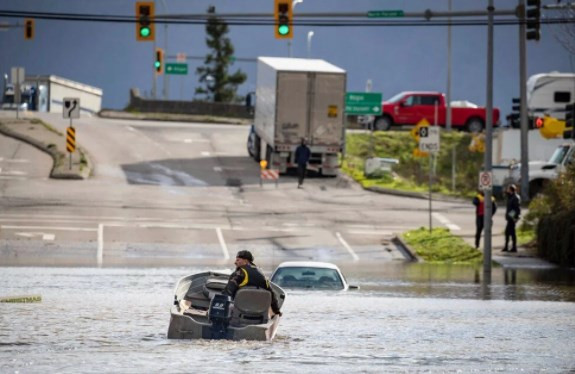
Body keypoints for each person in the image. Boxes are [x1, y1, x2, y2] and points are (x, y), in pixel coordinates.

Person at [222, 250, 282, 317]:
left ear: (246, 261)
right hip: (259, 312)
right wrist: (276, 311)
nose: (235, 262)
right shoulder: (261, 273)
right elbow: (272, 294)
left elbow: (228, 292)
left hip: (240, 312)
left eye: (238, 260)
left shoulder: (239, 273)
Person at [503, 184, 521, 252]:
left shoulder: (515, 198)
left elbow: (516, 209)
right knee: (507, 232)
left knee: (512, 232)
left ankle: (514, 247)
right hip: (510, 218)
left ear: (511, 190)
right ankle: (506, 247)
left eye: (508, 189)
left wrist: (513, 217)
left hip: (512, 218)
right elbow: (505, 194)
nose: (507, 190)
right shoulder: (510, 197)